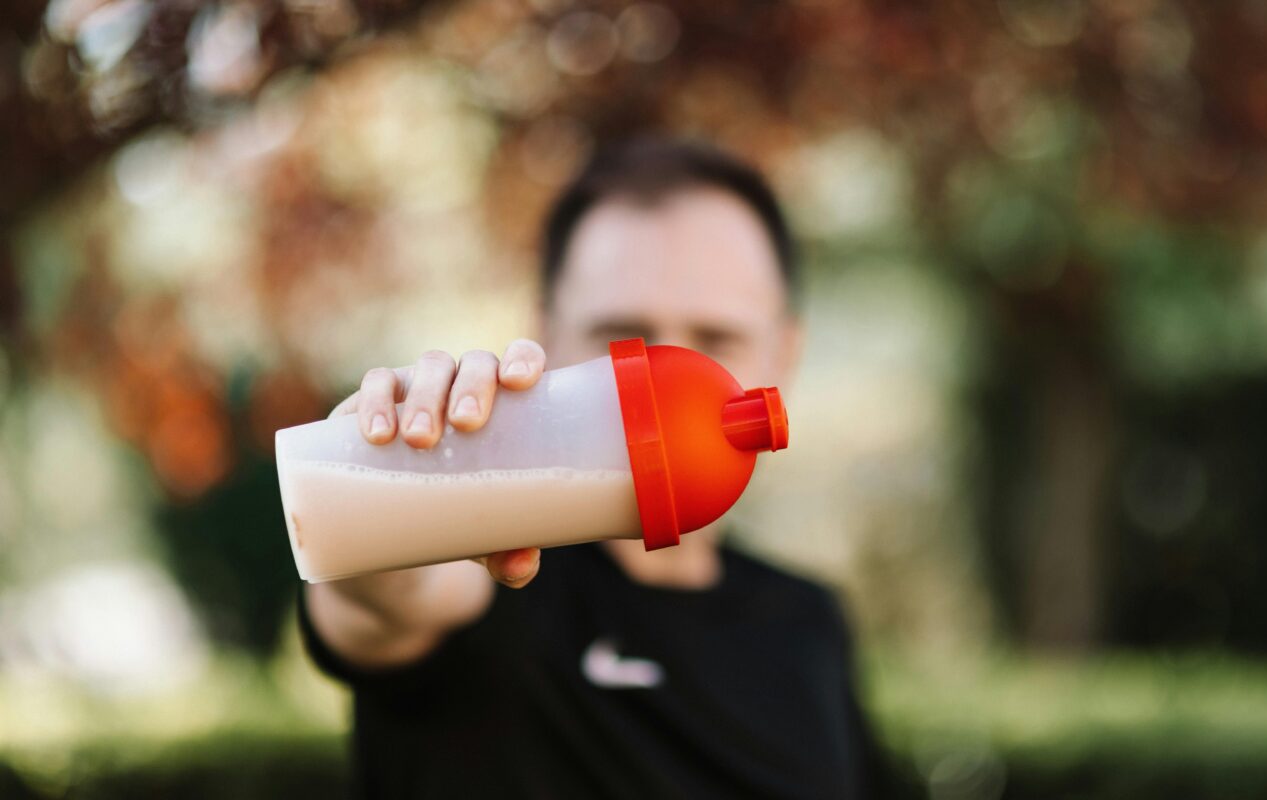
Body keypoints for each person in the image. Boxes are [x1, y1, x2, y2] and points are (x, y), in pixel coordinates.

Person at [299, 140, 911, 798]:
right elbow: (389, 595)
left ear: (782, 356)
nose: (671, 381)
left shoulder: (805, 622)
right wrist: (385, 476)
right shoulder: (487, 572)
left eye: (717, 340)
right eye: (625, 337)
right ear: (546, 338)